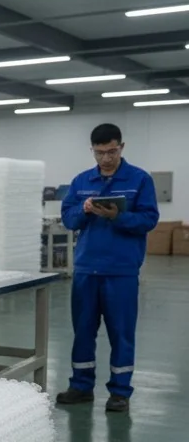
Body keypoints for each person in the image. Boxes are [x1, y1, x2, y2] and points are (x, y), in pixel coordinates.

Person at [56, 123, 159, 413]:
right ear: (93, 151)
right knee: (83, 330)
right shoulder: (81, 181)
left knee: (121, 332)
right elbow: (69, 219)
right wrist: (84, 210)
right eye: (100, 153)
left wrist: (119, 217)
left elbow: (149, 220)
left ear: (121, 147)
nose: (105, 159)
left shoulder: (139, 180)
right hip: (87, 269)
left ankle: (120, 392)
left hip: (121, 270)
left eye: (111, 151)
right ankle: (80, 386)